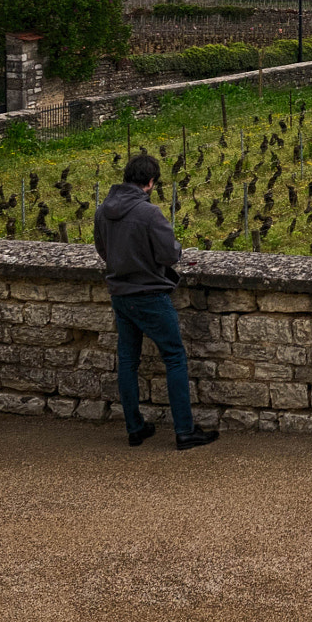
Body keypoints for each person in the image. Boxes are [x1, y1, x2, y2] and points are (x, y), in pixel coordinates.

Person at [94, 153, 218, 451]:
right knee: (174, 357)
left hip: (120, 295)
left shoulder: (102, 212)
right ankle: (185, 431)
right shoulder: (149, 214)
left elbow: (102, 248)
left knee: (127, 361)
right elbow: (168, 255)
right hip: (150, 294)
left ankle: (135, 428)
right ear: (150, 183)